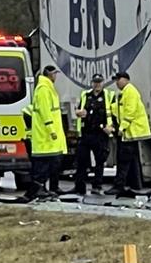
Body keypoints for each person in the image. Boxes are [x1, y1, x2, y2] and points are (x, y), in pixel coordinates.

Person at [24, 65, 66, 201]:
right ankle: (38, 190)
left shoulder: (47, 87)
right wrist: (51, 130)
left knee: (50, 164)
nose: (56, 76)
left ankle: (42, 189)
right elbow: (45, 112)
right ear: (49, 74)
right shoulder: (43, 89)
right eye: (54, 74)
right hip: (45, 136)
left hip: (48, 137)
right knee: (42, 166)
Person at [109, 71, 151, 196]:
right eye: (116, 80)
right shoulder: (123, 93)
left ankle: (119, 186)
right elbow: (118, 110)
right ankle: (135, 185)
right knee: (132, 161)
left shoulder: (130, 92)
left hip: (130, 132)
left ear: (126, 79)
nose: (116, 82)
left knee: (123, 160)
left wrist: (122, 128)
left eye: (118, 79)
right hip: (130, 133)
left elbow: (129, 112)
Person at [73, 74, 112, 195]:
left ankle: (97, 185)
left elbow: (114, 113)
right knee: (82, 161)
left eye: (99, 82)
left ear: (103, 83)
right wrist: (79, 112)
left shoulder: (108, 96)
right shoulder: (86, 95)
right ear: (92, 83)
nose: (97, 84)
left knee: (100, 161)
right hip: (86, 133)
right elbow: (79, 110)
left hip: (100, 133)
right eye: (95, 82)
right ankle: (80, 186)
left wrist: (111, 127)